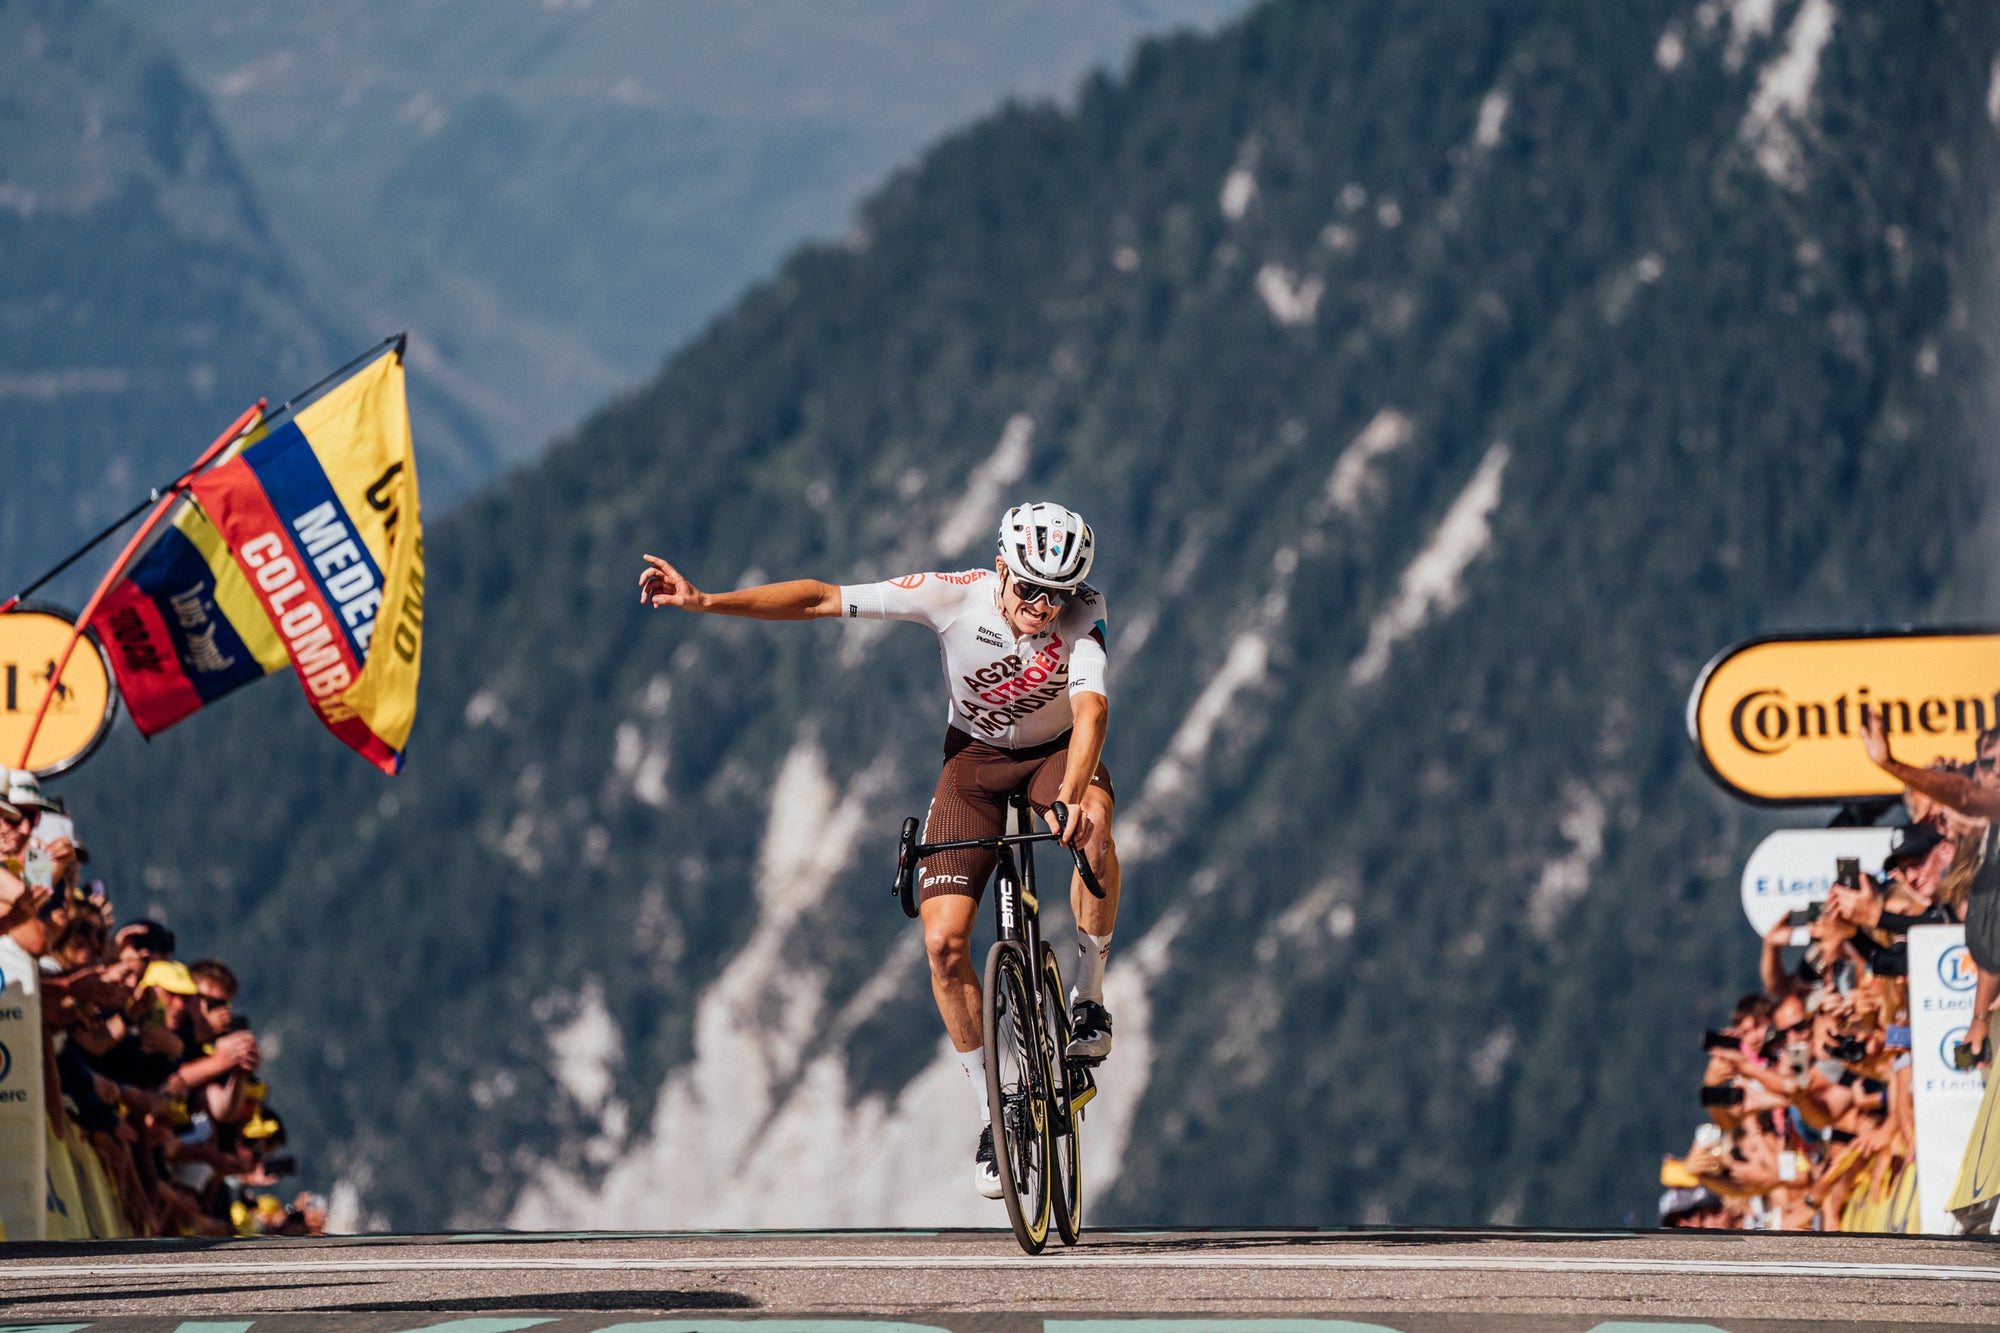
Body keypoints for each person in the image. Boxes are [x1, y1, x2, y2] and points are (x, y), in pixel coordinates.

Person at [640, 501, 1121, 1199]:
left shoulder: (1085, 610)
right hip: (975, 763)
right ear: (999, 569)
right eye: (1027, 589)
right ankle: (994, 1116)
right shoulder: (953, 596)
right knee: (946, 945)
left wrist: (1073, 797)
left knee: (1098, 824)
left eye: (1057, 593)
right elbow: (822, 599)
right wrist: (707, 599)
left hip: (1055, 757)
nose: (1042, 608)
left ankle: (1089, 996)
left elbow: (1091, 712)